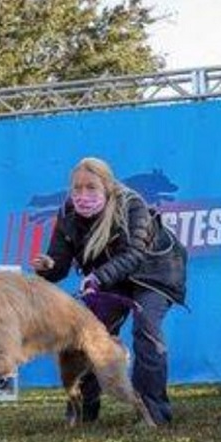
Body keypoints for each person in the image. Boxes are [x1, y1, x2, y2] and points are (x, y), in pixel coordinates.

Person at [31, 157, 186, 427]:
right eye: (77, 188)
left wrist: (97, 278)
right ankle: (83, 411)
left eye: (91, 187)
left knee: (146, 329)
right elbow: (59, 264)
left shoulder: (131, 205)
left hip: (155, 271)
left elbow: (135, 254)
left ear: (107, 186)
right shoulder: (67, 215)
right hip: (109, 277)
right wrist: (47, 267)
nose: (83, 195)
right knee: (88, 336)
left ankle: (154, 412)